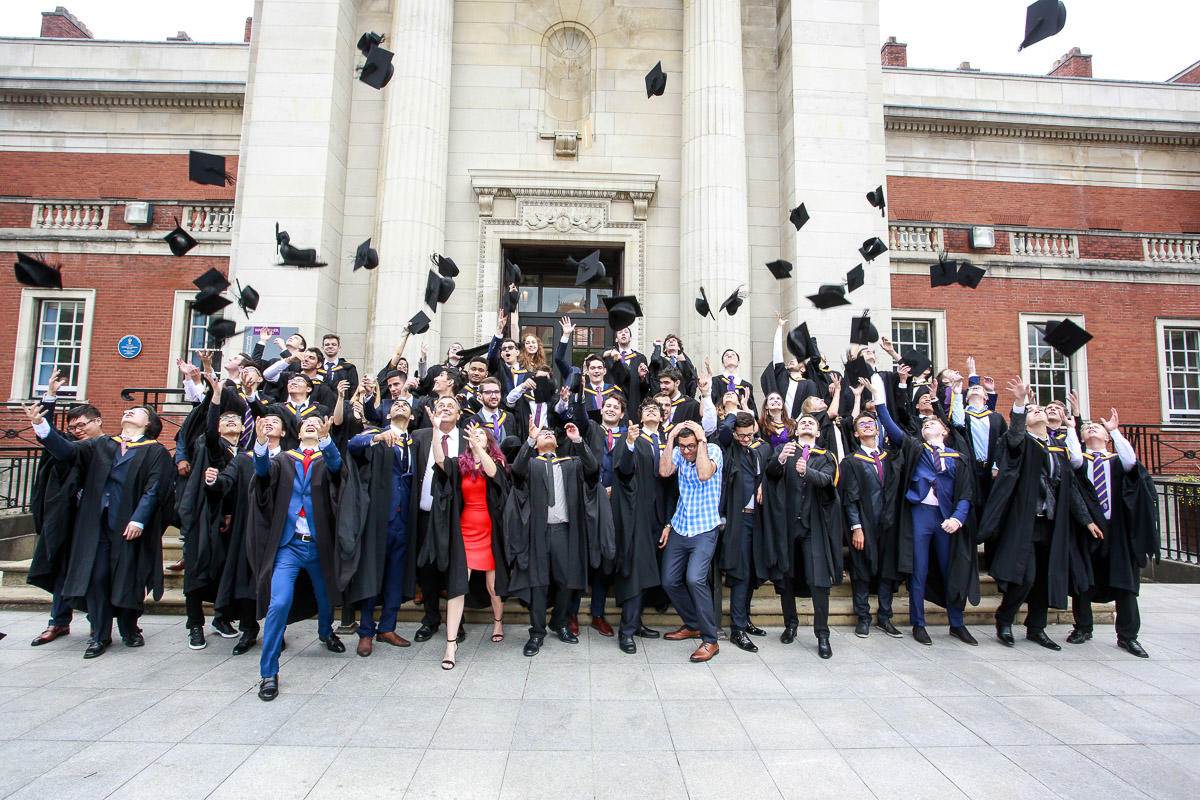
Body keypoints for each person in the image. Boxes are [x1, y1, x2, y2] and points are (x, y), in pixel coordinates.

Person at [25, 401, 172, 659]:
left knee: (128, 578)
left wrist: (139, 520)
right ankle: (99, 635)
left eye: (136, 411)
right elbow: (67, 452)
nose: (129, 412)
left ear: (148, 423)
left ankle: (129, 628)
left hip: (128, 526)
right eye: (128, 410)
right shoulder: (102, 444)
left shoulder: (154, 451)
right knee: (96, 578)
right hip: (96, 525)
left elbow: (154, 488)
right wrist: (42, 427)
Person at [980, 379, 1102, 652]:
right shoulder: (1022, 442)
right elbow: (1012, 437)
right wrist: (1021, 403)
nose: (1038, 411)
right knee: (1026, 577)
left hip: (1052, 523)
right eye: (1032, 410)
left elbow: (1068, 490)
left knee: (1047, 577)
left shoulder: (1057, 448)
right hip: (1025, 521)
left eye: (1039, 409)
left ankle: (1037, 628)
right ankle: (1005, 618)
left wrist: (1087, 520)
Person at [871, 373, 980, 647]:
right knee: (918, 570)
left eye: (934, 422)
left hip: (947, 518)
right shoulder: (914, 447)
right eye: (926, 423)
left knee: (950, 569)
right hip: (920, 515)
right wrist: (879, 399)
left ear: (944, 431)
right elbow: (891, 427)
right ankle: (918, 623)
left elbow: (966, 492)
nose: (929, 424)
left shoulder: (959, 458)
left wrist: (958, 518)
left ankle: (957, 623)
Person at [247, 414, 347, 702]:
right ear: (298, 431)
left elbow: (336, 468)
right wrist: (262, 443)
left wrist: (327, 441)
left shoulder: (325, 456)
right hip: (288, 546)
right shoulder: (283, 460)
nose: (311, 424)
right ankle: (268, 672)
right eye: (306, 423)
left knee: (326, 595)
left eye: (317, 421)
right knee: (278, 603)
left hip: (318, 544)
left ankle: (325, 632)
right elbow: (262, 472)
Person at [507, 420, 606, 656]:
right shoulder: (531, 464)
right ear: (536, 443)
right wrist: (529, 439)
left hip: (564, 531)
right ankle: (537, 631)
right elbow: (516, 471)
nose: (548, 434)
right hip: (538, 532)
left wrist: (578, 442)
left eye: (552, 433)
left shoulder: (571, 464)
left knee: (566, 581)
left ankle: (559, 622)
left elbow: (593, 470)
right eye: (543, 434)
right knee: (538, 584)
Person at [1066, 409, 1158, 657]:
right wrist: (1072, 429)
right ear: (1082, 438)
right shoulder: (1081, 460)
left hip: (1117, 528)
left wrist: (1116, 431)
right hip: (1087, 528)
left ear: (1107, 438)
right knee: (1083, 580)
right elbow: (1073, 459)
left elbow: (1131, 462)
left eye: (1098, 427)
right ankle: (1083, 627)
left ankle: (1128, 636)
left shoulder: (1118, 461)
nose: (1092, 428)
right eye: (1087, 428)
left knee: (1125, 583)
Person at [427, 419, 510, 668]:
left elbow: (494, 472)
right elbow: (440, 460)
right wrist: (435, 430)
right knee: (457, 586)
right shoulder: (459, 465)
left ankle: (498, 621)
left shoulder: (495, 462)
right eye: (473, 436)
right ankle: (450, 645)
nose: (476, 439)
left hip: (491, 533)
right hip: (465, 532)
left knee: (493, 586)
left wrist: (479, 447)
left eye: (482, 436)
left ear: (489, 442)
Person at [27, 382, 103, 646]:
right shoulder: (71, 445)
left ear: (98, 421)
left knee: (94, 572)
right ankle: (58, 621)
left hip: (97, 520)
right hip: (67, 517)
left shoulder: (112, 445)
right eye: (73, 428)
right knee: (61, 568)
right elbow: (52, 438)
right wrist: (49, 398)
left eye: (82, 425)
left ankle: (98, 624)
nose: (77, 431)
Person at [206, 413, 287, 655]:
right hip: (249, 527)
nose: (269, 424)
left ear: (284, 433)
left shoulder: (290, 459)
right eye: (265, 421)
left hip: (280, 529)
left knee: (278, 584)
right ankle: (248, 629)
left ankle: (277, 632)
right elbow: (227, 483)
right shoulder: (243, 460)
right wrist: (214, 481)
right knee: (246, 579)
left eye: (276, 422)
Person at [763, 414, 842, 658]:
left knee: (818, 581)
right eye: (803, 423)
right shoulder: (784, 449)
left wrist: (807, 471)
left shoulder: (826, 456)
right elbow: (771, 474)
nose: (806, 425)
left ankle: (823, 634)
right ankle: (791, 624)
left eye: (812, 423)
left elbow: (828, 482)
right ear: (796, 430)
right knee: (786, 576)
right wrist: (781, 460)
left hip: (813, 526)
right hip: (787, 524)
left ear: (818, 433)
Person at [345, 399, 417, 657]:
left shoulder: (414, 441)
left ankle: (388, 627)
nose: (400, 407)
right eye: (395, 405)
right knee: (371, 574)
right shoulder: (374, 434)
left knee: (396, 577)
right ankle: (366, 631)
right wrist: (376, 439)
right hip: (379, 518)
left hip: (405, 519)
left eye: (405, 406)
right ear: (387, 413)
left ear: (411, 416)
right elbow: (352, 445)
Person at [658, 420, 723, 662]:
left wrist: (702, 441)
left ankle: (710, 639)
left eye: (691, 446)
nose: (686, 451)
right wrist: (672, 437)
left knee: (695, 579)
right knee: (669, 581)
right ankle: (693, 623)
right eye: (683, 446)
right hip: (680, 525)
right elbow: (664, 471)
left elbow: (704, 474)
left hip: (705, 528)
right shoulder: (677, 451)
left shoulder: (713, 450)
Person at [609, 400, 670, 653]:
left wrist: (668, 520)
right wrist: (631, 444)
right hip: (637, 513)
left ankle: (637, 622)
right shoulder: (630, 438)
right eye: (646, 410)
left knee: (650, 569)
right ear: (640, 417)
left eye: (655, 409)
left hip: (663, 514)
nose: (651, 411)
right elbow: (623, 471)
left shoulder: (669, 440)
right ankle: (627, 630)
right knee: (635, 569)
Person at [408, 395, 467, 643]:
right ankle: (430, 619)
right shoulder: (420, 436)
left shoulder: (467, 438)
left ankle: (458, 624)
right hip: (426, 512)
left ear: (459, 413)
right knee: (428, 569)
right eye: (440, 405)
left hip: (457, 515)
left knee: (455, 569)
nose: (445, 409)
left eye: (450, 406)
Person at [839, 412, 903, 639]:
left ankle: (885, 617)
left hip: (890, 524)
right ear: (856, 433)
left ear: (878, 430)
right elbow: (850, 497)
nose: (867, 426)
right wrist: (856, 527)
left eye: (871, 424)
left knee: (888, 570)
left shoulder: (892, 458)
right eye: (862, 424)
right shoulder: (851, 461)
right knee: (861, 570)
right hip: (865, 523)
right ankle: (863, 617)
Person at [716, 411, 771, 652]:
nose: (745, 439)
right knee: (740, 572)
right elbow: (723, 433)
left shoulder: (765, 449)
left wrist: (763, 487)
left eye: (749, 434)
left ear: (756, 429)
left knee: (752, 571)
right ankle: (737, 628)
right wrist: (732, 412)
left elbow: (770, 475)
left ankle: (745, 619)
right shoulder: (731, 448)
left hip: (758, 520)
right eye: (741, 435)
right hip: (737, 519)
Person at [319, 333, 359, 402]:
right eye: (327, 344)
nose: (330, 346)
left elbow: (354, 390)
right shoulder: (317, 367)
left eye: (333, 344)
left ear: (339, 348)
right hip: (320, 408)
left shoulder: (348, 368)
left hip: (342, 406)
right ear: (322, 348)